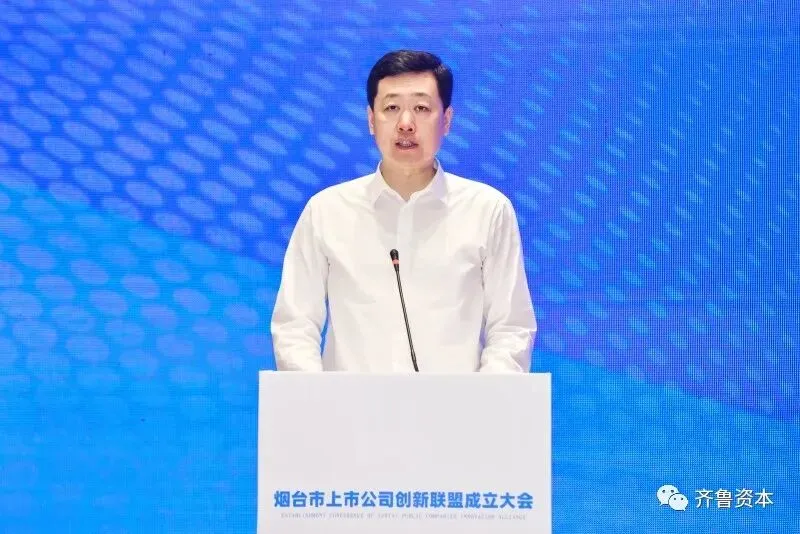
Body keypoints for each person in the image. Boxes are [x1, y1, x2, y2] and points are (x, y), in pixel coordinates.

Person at [270, 49, 536, 372]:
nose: (406, 124)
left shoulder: (487, 210)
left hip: (455, 405)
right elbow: (295, 326)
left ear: (446, 120)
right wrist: (317, 396)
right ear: (371, 120)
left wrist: (482, 399)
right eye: (392, 108)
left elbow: (511, 329)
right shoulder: (327, 211)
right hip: (350, 405)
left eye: (421, 108)